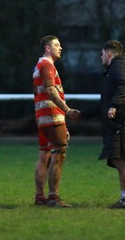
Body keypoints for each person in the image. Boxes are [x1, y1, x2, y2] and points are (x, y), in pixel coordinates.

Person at [76, 40, 125, 209]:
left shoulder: (118, 65)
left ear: (108, 53)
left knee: (116, 156)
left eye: (101, 54)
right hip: (121, 119)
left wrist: (114, 106)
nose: (100, 57)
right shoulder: (113, 69)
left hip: (121, 120)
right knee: (120, 157)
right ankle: (124, 198)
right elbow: (104, 104)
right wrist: (82, 114)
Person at [32, 35, 78, 207]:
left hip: (43, 117)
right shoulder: (47, 64)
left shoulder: (40, 64)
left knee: (44, 154)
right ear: (47, 49)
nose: (61, 48)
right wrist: (67, 110)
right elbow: (51, 90)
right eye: (57, 45)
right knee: (59, 153)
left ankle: (40, 197)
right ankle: (54, 198)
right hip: (51, 116)